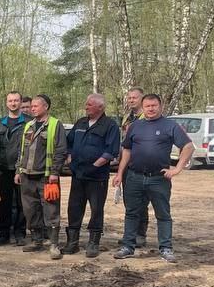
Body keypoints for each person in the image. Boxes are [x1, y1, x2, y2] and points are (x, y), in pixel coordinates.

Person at [112, 93, 192, 262]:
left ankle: (166, 248)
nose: (151, 109)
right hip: (134, 176)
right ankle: (128, 246)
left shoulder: (170, 125)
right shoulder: (135, 126)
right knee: (132, 213)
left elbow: (188, 146)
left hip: (159, 179)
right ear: (143, 107)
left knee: (163, 214)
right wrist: (120, 173)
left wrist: (177, 168)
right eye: (147, 106)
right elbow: (126, 150)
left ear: (160, 106)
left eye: (154, 105)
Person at [65, 93, 120, 258]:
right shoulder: (81, 122)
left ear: (100, 107)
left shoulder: (110, 126)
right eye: (86, 104)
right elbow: (69, 142)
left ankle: (93, 243)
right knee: (74, 208)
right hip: (78, 174)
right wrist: (69, 159)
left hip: (97, 177)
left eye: (89, 104)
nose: (86, 107)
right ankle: (72, 243)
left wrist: (95, 166)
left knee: (96, 210)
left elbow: (111, 151)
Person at [16, 94, 68, 259]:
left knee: (51, 210)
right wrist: (18, 170)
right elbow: (22, 151)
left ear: (46, 107)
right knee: (31, 210)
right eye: (32, 106)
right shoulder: (28, 126)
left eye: (36, 106)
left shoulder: (54, 125)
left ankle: (53, 244)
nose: (32, 109)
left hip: (46, 177)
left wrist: (54, 172)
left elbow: (60, 150)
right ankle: (37, 240)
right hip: (27, 176)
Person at [0, 91, 30, 245]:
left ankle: (20, 233)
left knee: (22, 202)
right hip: (4, 169)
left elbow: (29, 148)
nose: (13, 103)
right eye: (10, 101)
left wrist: (21, 168)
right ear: (6, 103)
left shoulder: (29, 123)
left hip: (21, 170)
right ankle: (4, 233)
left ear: (21, 102)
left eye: (16, 100)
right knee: (5, 202)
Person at [120, 87, 151, 247]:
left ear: (142, 99)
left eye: (134, 97)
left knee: (141, 202)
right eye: (129, 98)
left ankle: (140, 234)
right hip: (127, 164)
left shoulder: (147, 117)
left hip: (142, 165)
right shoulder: (127, 117)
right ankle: (130, 234)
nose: (131, 100)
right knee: (129, 201)